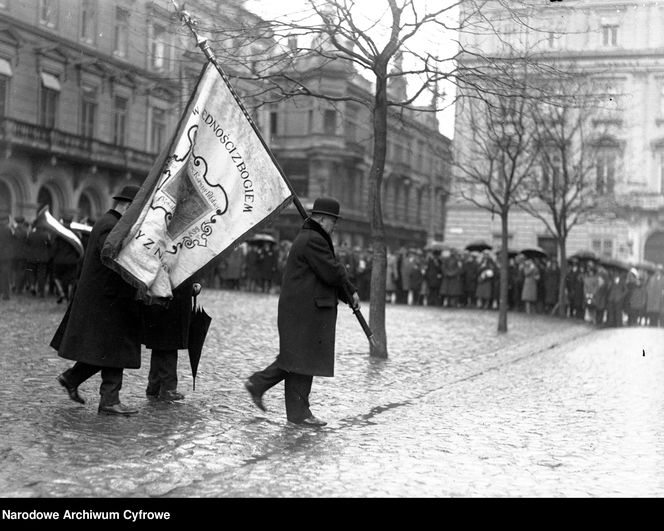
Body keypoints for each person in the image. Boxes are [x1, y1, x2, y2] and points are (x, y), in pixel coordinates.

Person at [244, 197, 359, 427]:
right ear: (324, 219)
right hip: (305, 312)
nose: (334, 226)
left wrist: (347, 294)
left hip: (304, 311)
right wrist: (350, 290)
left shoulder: (312, 237)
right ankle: (271, 393)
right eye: (333, 221)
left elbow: (328, 273)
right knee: (297, 360)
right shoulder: (314, 240)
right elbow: (332, 273)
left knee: (300, 361)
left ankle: (293, 409)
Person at [51, 185, 143, 416]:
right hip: (107, 300)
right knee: (114, 349)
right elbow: (114, 259)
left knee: (106, 350)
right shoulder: (111, 226)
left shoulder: (109, 223)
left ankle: (72, 379)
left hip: (109, 298)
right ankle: (109, 400)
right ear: (127, 206)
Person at [142, 278, 201, 402]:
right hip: (172, 301)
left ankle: (154, 387)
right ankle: (168, 389)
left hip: (161, 299)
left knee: (160, 345)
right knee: (169, 345)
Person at [0, 214, 14, 300]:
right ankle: (6, 294)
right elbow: (11, 241)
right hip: (6, 255)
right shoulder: (8, 230)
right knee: (5, 275)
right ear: (5, 221)